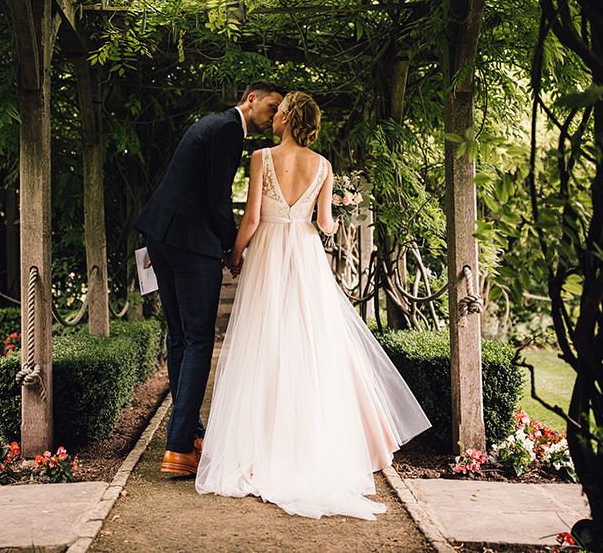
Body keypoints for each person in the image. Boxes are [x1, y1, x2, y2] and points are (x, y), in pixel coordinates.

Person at [195, 91, 431, 519]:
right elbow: (323, 224)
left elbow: (250, 218)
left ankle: (260, 445)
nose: (275, 116)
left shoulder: (261, 158)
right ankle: (306, 443)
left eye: (280, 112)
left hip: (267, 250)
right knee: (308, 344)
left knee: (263, 341)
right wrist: (339, 211)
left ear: (286, 119)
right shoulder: (323, 166)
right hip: (304, 256)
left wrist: (234, 255)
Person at [134, 82, 286, 476]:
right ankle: (179, 449)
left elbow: (184, 186)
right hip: (189, 244)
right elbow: (217, 198)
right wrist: (230, 248)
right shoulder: (227, 130)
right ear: (252, 99)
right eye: (271, 107)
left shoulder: (211, 124)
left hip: (163, 237)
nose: (273, 119)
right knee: (200, 339)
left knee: (180, 337)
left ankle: (190, 430)